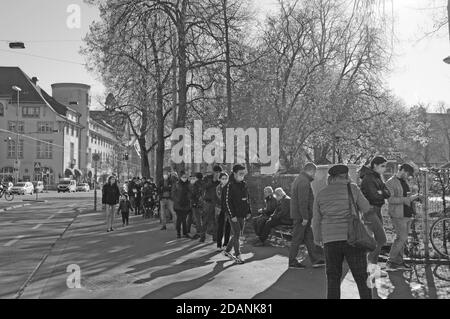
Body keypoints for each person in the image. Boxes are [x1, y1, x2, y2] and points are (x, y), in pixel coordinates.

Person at [312, 164, 372, 299]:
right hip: (353, 238)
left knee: (333, 278)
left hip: (330, 240)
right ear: (346, 176)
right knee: (362, 276)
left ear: (331, 178)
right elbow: (366, 207)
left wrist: (317, 238)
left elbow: (316, 219)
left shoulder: (321, 194)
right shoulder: (353, 189)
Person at [288, 163, 325, 268]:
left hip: (301, 215)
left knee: (309, 237)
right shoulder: (304, 181)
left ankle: (316, 259)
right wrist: (305, 217)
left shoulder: (300, 179)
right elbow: (303, 201)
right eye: (315, 172)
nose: (315, 175)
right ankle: (292, 261)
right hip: (302, 217)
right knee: (297, 238)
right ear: (311, 171)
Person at [385, 164, 420, 271]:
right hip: (398, 214)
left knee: (402, 239)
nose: (408, 176)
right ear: (403, 170)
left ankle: (398, 262)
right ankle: (390, 262)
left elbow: (407, 198)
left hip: (407, 214)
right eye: (408, 174)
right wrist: (406, 199)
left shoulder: (405, 181)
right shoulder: (390, 182)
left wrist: (414, 199)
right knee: (401, 238)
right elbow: (390, 199)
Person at [360, 156, 391, 273]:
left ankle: (371, 266)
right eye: (382, 166)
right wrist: (382, 192)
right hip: (370, 210)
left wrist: (381, 192)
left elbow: (388, 193)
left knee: (377, 239)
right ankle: (370, 266)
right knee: (381, 239)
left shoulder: (377, 177)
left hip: (376, 210)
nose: (384, 168)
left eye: (385, 166)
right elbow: (374, 196)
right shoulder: (368, 178)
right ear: (375, 166)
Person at [222, 164, 252, 264]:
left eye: (243, 173)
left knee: (236, 234)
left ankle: (227, 250)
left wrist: (248, 211)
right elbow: (227, 202)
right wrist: (232, 215)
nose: (242, 175)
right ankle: (238, 254)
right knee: (237, 233)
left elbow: (247, 199)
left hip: (242, 214)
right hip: (233, 215)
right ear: (234, 173)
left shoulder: (244, 184)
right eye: (240, 173)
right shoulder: (228, 186)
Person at [203, 165, 223, 242]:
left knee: (216, 221)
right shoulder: (207, 178)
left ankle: (215, 238)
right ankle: (202, 237)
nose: (218, 174)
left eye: (219, 172)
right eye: (216, 172)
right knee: (206, 220)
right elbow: (204, 187)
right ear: (213, 172)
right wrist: (213, 181)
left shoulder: (221, 179)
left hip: (217, 203)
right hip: (208, 203)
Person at [172, 171, 192, 239]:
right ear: (180, 177)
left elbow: (191, 192)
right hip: (178, 205)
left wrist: (188, 198)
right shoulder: (177, 184)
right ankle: (178, 233)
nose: (184, 178)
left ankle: (185, 233)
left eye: (185, 177)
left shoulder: (189, 184)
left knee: (184, 219)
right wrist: (178, 200)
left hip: (186, 204)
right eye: (183, 177)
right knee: (179, 219)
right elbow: (173, 194)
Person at [216, 172, 231, 251]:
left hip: (229, 209)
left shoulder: (230, 187)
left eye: (226, 178)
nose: (224, 180)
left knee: (228, 227)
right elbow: (219, 198)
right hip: (221, 209)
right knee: (220, 227)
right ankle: (219, 245)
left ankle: (226, 244)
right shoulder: (218, 188)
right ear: (220, 179)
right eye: (223, 178)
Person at [191, 173, 205, 240]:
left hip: (196, 203)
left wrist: (193, 202)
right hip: (204, 204)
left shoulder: (196, 184)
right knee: (203, 219)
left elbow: (193, 194)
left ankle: (199, 233)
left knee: (198, 219)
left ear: (196, 177)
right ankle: (202, 233)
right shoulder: (204, 183)